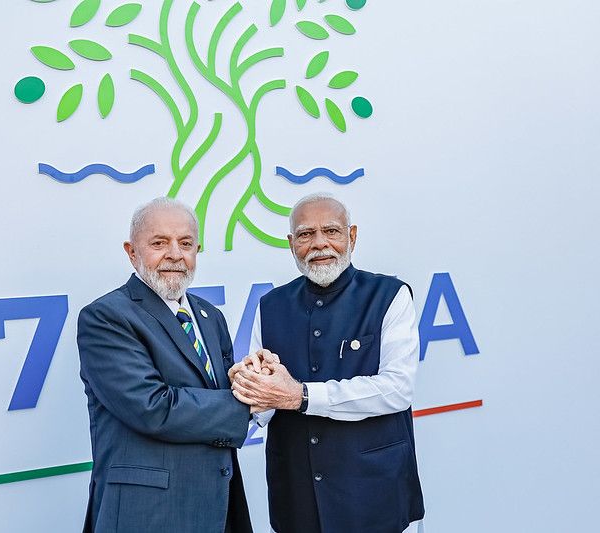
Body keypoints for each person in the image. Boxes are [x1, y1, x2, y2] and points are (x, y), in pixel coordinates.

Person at [229, 192, 425, 533]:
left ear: (352, 236)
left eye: (331, 231)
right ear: (291, 244)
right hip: (297, 500)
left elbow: (397, 389)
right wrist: (250, 389)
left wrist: (302, 396)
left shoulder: (390, 295)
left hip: (374, 497)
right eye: (306, 234)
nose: (319, 243)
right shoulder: (271, 305)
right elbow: (264, 404)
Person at [77, 197, 253, 533]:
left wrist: (254, 379)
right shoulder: (106, 317)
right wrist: (250, 403)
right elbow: (152, 407)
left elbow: (221, 389)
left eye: (185, 243)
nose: (175, 254)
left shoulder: (209, 316)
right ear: (132, 252)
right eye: (159, 243)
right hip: (148, 514)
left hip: (217, 507)